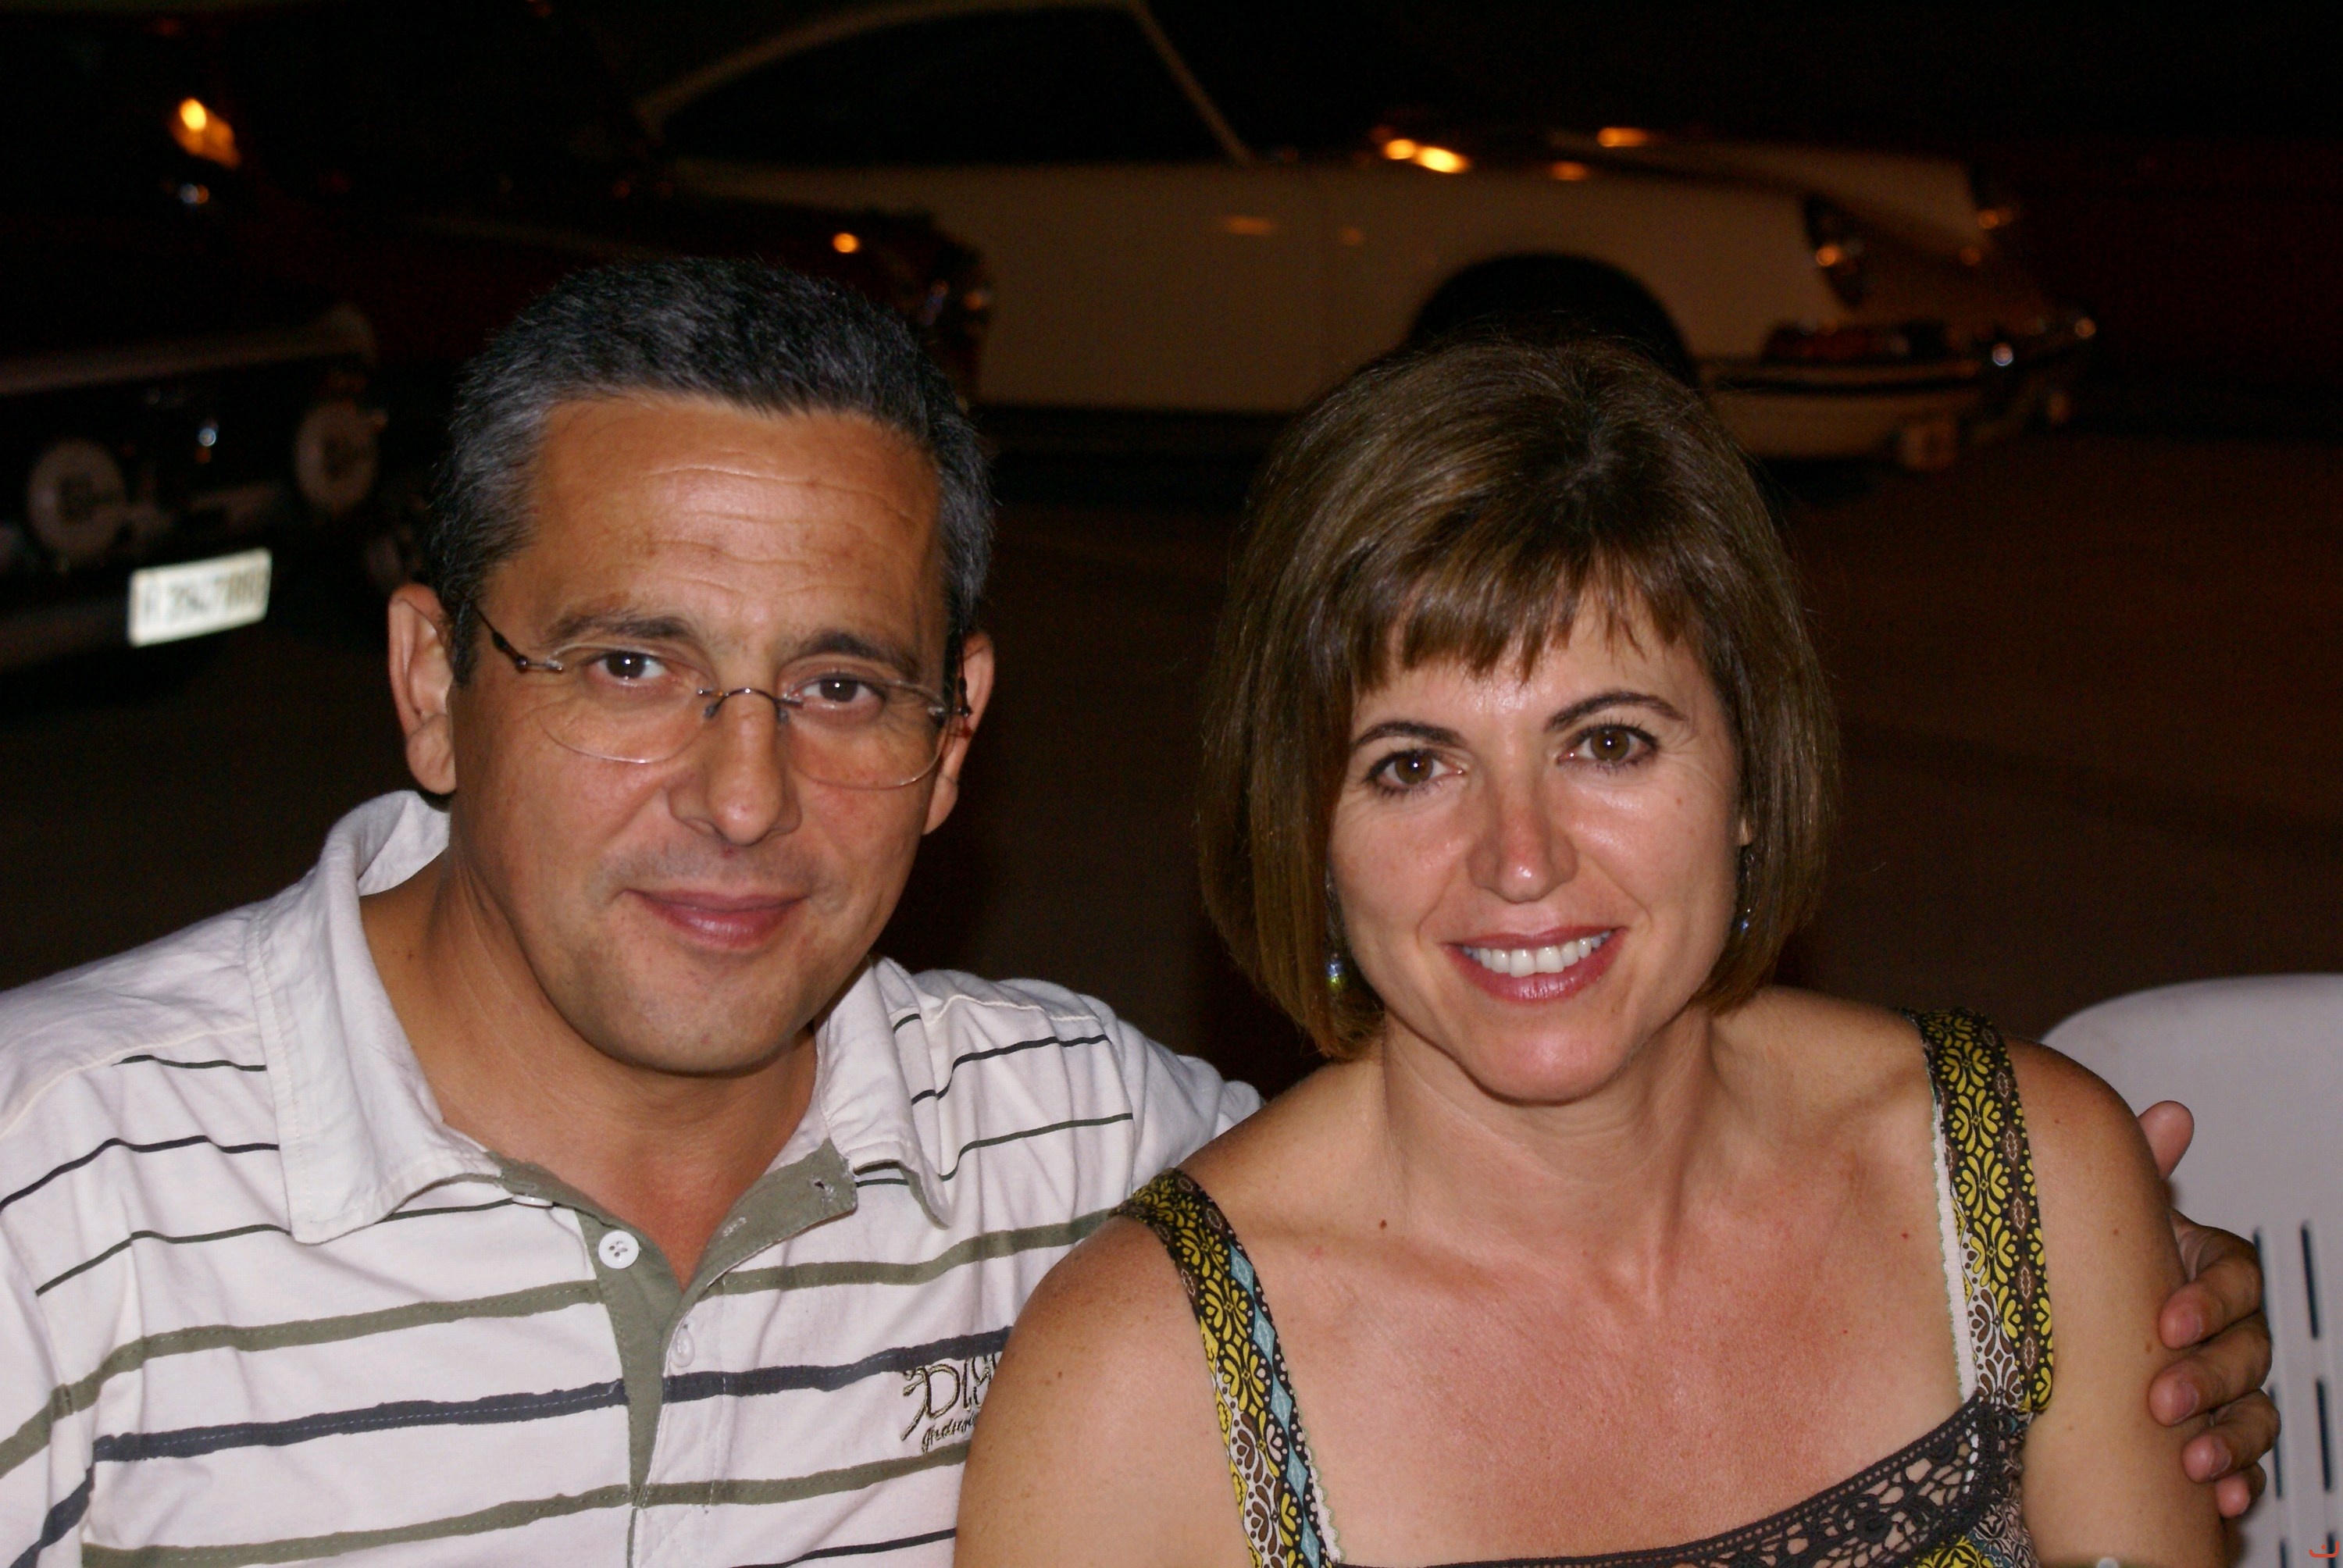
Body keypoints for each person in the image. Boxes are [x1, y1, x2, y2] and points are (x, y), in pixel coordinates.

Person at [0, 268, 2268, 1566]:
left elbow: (1492, 1179)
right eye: (628, 662)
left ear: (956, 733)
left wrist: (2115, 1273)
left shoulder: (1069, 1139)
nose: (742, 789)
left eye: (842, 682)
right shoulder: (53, 1198)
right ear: (429, 680)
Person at [958, 336, 2263, 1567]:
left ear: (1750, 774)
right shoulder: (1143, 1384)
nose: (1521, 860)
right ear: (1308, 834)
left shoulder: (2021, 1187)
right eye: (1412, 766)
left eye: (1609, 743)